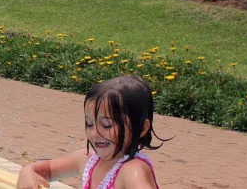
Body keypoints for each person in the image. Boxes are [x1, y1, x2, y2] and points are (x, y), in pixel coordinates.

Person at [17, 76, 169, 189]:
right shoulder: (87, 160)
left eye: (107, 125)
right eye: (89, 124)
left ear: (142, 128)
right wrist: (27, 172)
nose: (95, 133)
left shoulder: (131, 170)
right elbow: (49, 170)